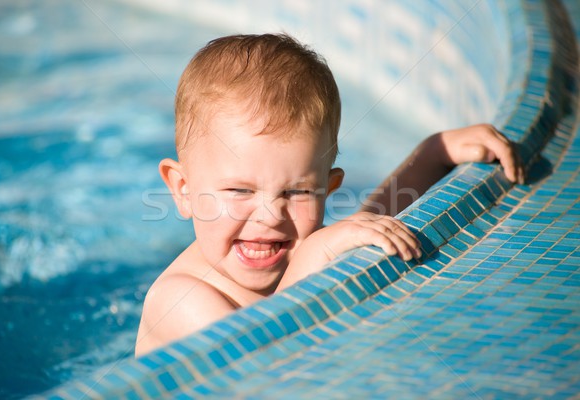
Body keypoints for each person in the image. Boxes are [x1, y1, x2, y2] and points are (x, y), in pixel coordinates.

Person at [135, 33, 523, 356]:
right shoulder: (179, 301)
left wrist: (435, 154)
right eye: (240, 190)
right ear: (183, 191)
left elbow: (369, 226)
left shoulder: (295, 246)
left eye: (298, 191)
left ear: (327, 189)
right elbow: (269, 363)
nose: (271, 215)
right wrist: (318, 251)